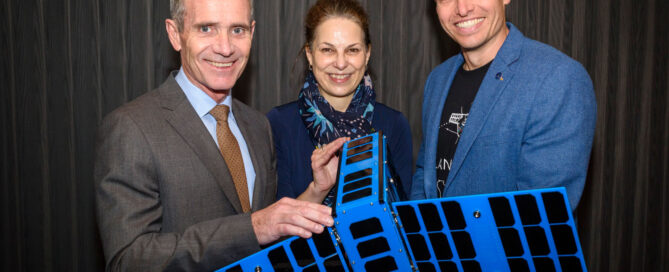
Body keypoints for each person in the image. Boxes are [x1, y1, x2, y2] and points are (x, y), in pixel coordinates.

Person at [94, 0, 345, 270]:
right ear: (175, 34)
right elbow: (130, 260)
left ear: (252, 32)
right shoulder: (131, 128)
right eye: (206, 29)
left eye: (237, 30)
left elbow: (269, 231)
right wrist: (254, 227)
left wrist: (316, 191)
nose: (225, 48)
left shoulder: (258, 126)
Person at [411, 0, 596, 209]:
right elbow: (425, 175)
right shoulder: (438, 79)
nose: (462, 9)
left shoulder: (557, 78)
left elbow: (538, 215)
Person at [267, 0, 414, 204]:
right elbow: (279, 229)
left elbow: (403, 219)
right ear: (310, 54)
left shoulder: (394, 124)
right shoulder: (278, 123)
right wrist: (318, 190)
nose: (341, 63)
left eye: (352, 50)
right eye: (328, 50)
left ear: (367, 54)